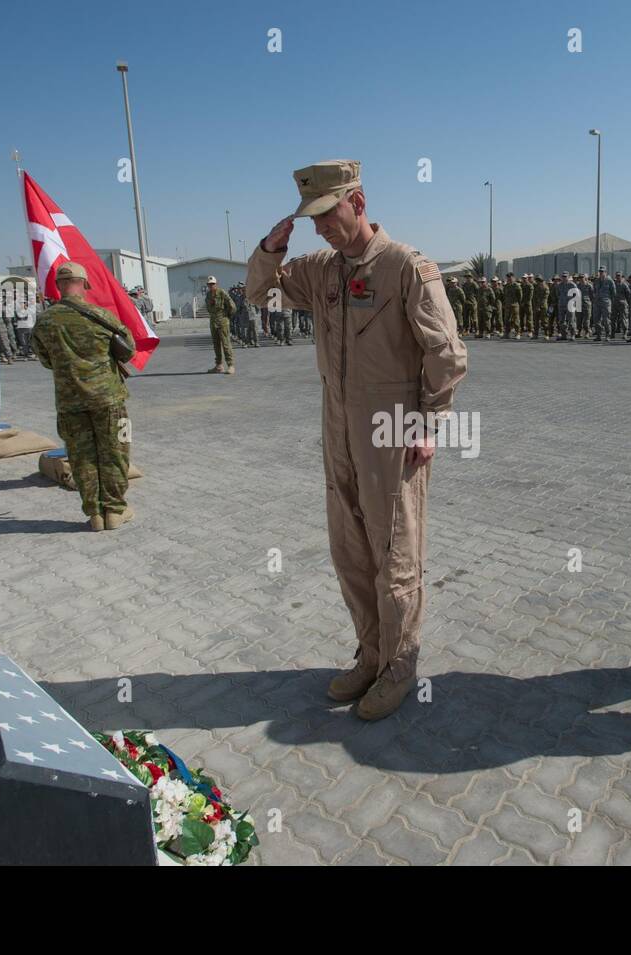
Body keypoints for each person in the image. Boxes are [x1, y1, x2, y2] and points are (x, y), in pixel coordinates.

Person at [246, 159, 467, 720]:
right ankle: (370, 655)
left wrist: (428, 421)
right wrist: (271, 249)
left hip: (392, 430)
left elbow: (447, 354)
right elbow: (260, 297)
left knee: (394, 552)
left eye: (329, 214)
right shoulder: (320, 269)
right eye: (312, 218)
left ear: (359, 201)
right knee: (350, 551)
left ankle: (400, 666)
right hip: (338, 427)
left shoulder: (405, 267)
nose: (321, 227)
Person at [32, 262, 135, 531]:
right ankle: (115, 510)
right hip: (108, 399)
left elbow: (45, 360)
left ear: (58, 285)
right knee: (115, 453)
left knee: (81, 458)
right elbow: (129, 349)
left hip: (70, 402)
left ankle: (95, 515)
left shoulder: (44, 322)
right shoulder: (101, 316)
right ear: (85, 284)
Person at [204, 276, 236, 373]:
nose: (211, 286)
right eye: (209, 284)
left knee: (226, 343)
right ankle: (219, 365)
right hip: (213, 322)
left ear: (216, 284)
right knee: (216, 344)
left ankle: (230, 365)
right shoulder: (208, 295)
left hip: (222, 321)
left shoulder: (222, 293)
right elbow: (208, 308)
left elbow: (232, 306)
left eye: (213, 284)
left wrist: (227, 317)